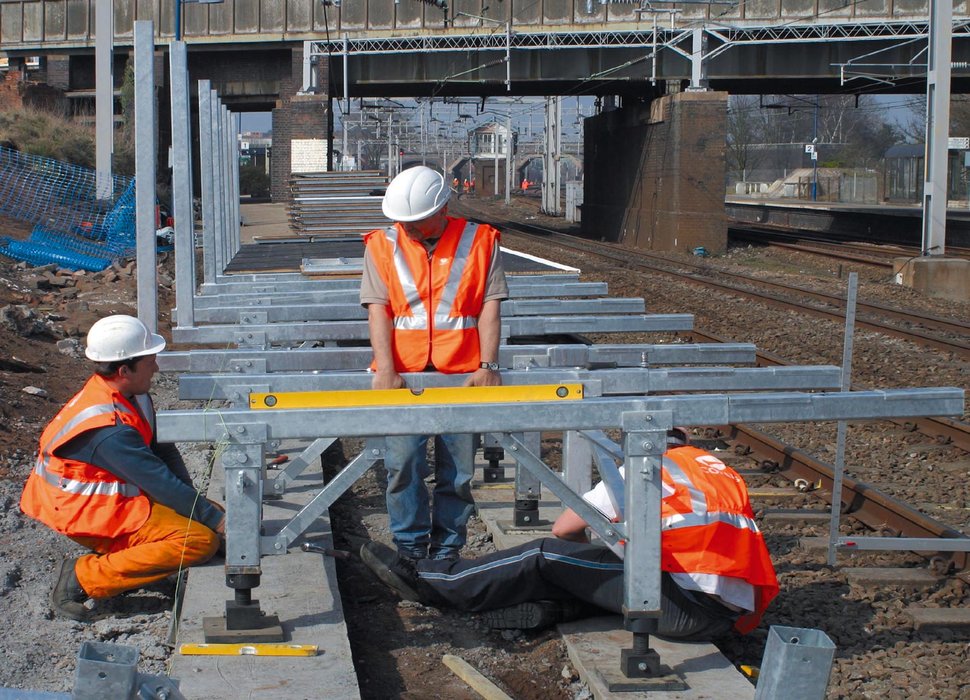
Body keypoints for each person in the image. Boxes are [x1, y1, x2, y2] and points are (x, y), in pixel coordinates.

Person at [360, 429, 779, 639]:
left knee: (545, 556)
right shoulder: (716, 471)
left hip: (677, 605)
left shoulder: (647, 468)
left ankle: (432, 582)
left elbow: (564, 530)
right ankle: (549, 613)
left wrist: (586, 552)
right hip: (721, 617)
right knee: (587, 569)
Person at [20, 315, 225, 621]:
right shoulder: (109, 428)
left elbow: (161, 449)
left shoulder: (132, 394)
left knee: (204, 514)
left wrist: (196, 504)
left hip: (113, 496)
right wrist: (214, 521)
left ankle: (140, 557)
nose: (155, 367)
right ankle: (83, 576)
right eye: (149, 361)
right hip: (86, 511)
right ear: (124, 370)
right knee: (199, 541)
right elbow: (158, 481)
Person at [361, 165, 509, 561]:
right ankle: (410, 552)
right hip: (404, 375)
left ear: (443, 208)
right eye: (401, 221)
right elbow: (379, 310)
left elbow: (489, 308)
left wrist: (489, 365)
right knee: (403, 465)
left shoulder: (480, 241)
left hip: (461, 374)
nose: (406, 228)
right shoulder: (382, 244)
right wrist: (386, 367)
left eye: (416, 221)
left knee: (458, 473)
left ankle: (446, 553)